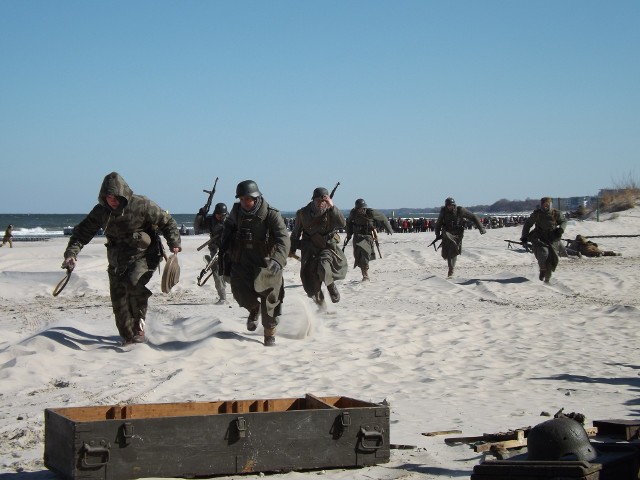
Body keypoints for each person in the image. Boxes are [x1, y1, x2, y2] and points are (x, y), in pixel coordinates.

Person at [61, 172, 182, 345]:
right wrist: (71, 254)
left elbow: (167, 221)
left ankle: (139, 326)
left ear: (123, 193)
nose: (112, 200)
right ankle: (128, 336)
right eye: (108, 197)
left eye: (116, 197)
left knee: (133, 283)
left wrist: (174, 242)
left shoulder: (142, 204)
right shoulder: (101, 211)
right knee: (120, 305)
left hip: (144, 256)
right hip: (117, 261)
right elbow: (82, 233)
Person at [219, 180, 290, 347]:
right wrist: (224, 244)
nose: (244, 202)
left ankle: (269, 333)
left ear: (256, 197)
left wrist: (278, 259)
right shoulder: (236, 211)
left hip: (266, 262)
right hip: (242, 260)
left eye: (247, 199)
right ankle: (253, 309)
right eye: (241, 199)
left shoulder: (271, 214)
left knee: (270, 298)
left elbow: (283, 239)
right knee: (239, 292)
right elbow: (229, 226)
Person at [290, 187, 348, 309]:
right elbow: (296, 233)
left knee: (324, 267)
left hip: (326, 247)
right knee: (310, 280)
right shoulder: (302, 213)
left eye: (324, 201)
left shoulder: (330, 211)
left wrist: (332, 206)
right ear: (313, 200)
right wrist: (292, 249)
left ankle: (331, 287)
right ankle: (322, 306)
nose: (321, 203)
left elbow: (342, 224)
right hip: (309, 249)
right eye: (318, 200)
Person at [433, 197, 486, 278]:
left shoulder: (460, 210)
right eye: (449, 205)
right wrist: (437, 234)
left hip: (457, 234)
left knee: (453, 251)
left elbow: (473, 217)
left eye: (452, 205)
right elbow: (438, 223)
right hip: (447, 234)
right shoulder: (443, 211)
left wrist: (481, 227)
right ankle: (450, 267)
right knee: (446, 253)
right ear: (446, 206)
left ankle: (451, 270)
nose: (450, 207)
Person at [520, 197, 567, 283]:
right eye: (543, 205)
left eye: (547, 205)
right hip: (540, 238)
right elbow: (528, 224)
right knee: (543, 255)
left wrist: (561, 229)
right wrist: (524, 237)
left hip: (553, 238)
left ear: (550, 205)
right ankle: (542, 269)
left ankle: (547, 279)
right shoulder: (537, 214)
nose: (545, 207)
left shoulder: (556, 213)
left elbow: (564, 221)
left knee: (552, 259)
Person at [344, 198, 393, 281]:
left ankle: (365, 275)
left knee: (365, 254)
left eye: (361, 208)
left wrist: (388, 228)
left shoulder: (370, 213)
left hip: (367, 236)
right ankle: (364, 273)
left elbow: (383, 218)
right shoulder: (353, 213)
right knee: (358, 256)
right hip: (357, 237)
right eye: (358, 209)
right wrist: (349, 234)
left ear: (364, 208)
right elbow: (348, 223)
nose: (359, 210)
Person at [194, 202, 228, 304]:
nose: (219, 217)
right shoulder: (211, 220)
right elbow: (197, 227)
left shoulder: (231, 220)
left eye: (221, 215)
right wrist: (201, 215)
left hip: (229, 249)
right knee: (216, 272)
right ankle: (222, 297)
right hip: (215, 249)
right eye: (217, 214)